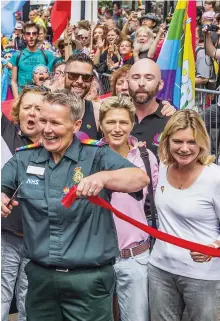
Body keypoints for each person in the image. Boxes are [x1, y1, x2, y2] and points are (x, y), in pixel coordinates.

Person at [1, 89, 149, 321]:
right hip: (41, 281)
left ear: (76, 124)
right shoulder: (24, 158)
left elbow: (139, 178)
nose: (46, 130)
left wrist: (103, 178)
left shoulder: (95, 155)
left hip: (88, 283)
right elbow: (3, 185)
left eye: (55, 123)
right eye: (43, 121)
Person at [148, 110, 220, 321]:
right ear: (167, 141)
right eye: (178, 141)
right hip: (160, 269)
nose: (185, 148)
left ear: (202, 143)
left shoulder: (214, 177)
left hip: (203, 275)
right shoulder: (162, 167)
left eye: (192, 142)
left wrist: (214, 248)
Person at [99, 96, 159, 321]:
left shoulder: (145, 157)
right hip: (98, 257)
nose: (117, 128)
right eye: (110, 122)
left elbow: (155, 202)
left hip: (135, 257)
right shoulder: (88, 157)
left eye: (123, 122)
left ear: (132, 124)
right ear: (101, 124)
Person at [1, 86, 49, 321]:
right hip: (6, 235)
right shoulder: (7, 133)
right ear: (17, 112)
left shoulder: (56, 146)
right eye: (27, 107)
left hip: (39, 240)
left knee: (30, 302)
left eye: (38, 108)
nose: (31, 114)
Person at [128, 58, 175, 156]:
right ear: (128, 81)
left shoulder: (172, 119)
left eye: (148, 78)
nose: (141, 83)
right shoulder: (116, 113)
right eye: (136, 78)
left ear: (160, 84)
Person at [10, 22, 54, 98]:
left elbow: (53, 78)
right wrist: (17, 99)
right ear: (24, 36)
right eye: (28, 34)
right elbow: (13, 81)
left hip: (42, 98)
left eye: (34, 34)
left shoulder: (48, 55)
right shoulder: (17, 56)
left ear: (37, 36)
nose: (31, 36)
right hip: (23, 98)